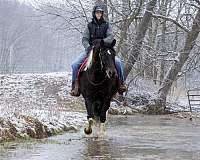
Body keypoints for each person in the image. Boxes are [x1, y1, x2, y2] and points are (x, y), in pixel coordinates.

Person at [70, 4, 127, 97]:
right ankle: (75, 86)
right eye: (97, 12)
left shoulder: (106, 25)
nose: (99, 14)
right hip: (91, 49)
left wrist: (102, 42)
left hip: (104, 50)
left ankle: (121, 84)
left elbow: (111, 37)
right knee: (75, 65)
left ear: (102, 14)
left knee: (118, 63)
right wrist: (88, 47)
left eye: (100, 12)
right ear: (94, 13)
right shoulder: (89, 26)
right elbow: (84, 39)